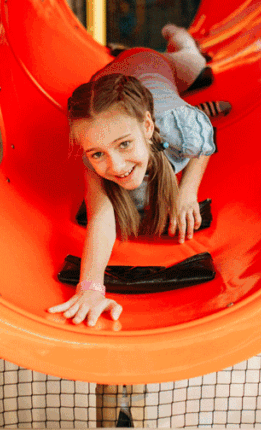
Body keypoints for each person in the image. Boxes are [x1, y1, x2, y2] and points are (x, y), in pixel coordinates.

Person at [48, 24, 218, 327]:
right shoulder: (95, 146)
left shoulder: (176, 123)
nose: (115, 166)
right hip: (109, 77)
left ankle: (179, 36)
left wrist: (187, 192)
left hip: (150, 63)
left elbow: (203, 141)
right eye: (98, 153)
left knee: (195, 65)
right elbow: (101, 216)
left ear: (148, 128)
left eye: (124, 144)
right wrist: (90, 289)